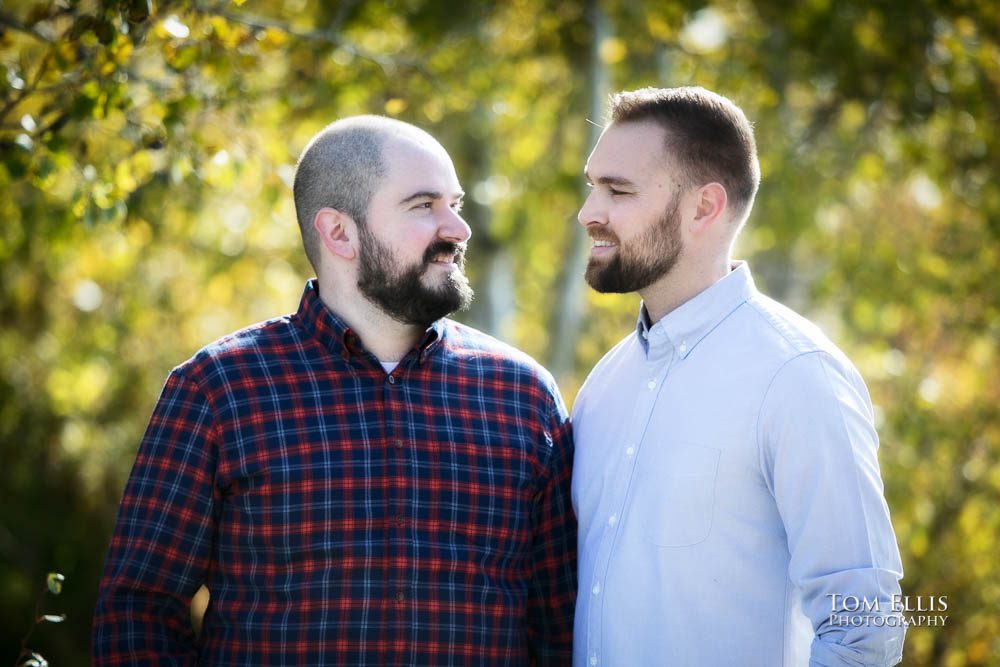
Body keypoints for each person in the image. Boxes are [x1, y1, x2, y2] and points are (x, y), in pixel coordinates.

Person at [93, 116, 576, 665]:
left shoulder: (522, 396)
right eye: (424, 205)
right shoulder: (219, 390)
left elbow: (559, 625)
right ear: (338, 232)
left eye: (455, 204)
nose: (457, 229)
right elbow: (139, 610)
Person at [571, 87, 905, 666]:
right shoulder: (604, 384)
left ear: (704, 207)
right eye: (592, 186)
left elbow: (864, 629)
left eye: (617, 190)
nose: (588, 213)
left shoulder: (797, 376)